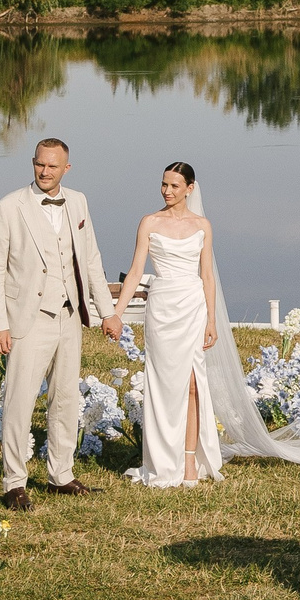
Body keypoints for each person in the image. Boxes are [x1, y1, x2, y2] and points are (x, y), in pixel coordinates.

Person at [0, 137, 117, 510]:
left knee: (66, 398)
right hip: (27, 318)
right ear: (33, 163)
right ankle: (14, 483)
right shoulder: (9, 207)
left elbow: (91, 259)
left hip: (70, 315)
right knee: (19, 401)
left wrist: (107, 311)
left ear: (66, 168)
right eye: (40, 164)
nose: (45, 171)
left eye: (52, 166)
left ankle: (61, 475)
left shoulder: (78, 201)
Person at [117, 161, 220, 488]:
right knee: (163, 385)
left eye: (174, 186)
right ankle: (162, 461)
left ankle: (189, 461)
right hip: (161, 308)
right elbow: (135, 272)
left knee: (192, 384)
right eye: (164, 184)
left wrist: (212, 320)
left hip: (193, 307)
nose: (167, 191)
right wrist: (117, 313)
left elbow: (207, 275)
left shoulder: (202, 225)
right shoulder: (149, 222)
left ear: (190, 188)